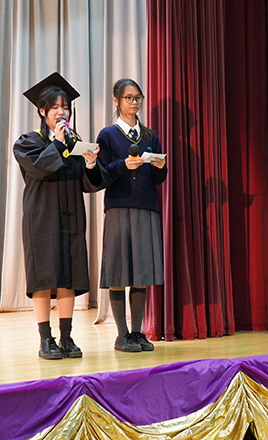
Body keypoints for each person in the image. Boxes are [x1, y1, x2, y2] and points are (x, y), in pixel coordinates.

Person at [13, 72, 109, 360]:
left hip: (71, 217)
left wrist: (90, 163)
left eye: (65, 107)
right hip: (41, 218)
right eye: (54, 107)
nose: (61, 112)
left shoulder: (74, 144)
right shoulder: (27, 142)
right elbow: (40, 169)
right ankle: (46, 339)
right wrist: (57, 142)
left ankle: (66, 337)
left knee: (69, 275)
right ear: (42, 112)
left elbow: (90, 183)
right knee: (43, 277)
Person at [96, 78, 167, 352]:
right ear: (116, 101)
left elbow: (159, 178)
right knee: (118, 270)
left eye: (138, 97)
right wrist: (123, 165)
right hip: (118, 207)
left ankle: (137, 332)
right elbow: (101, 174)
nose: (134, 102)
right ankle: (121, 334)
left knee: (141, 271)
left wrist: (160, 166)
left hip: (146, 207)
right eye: (128, 97)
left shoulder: (150, 136)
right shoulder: (108, 135)